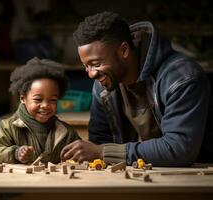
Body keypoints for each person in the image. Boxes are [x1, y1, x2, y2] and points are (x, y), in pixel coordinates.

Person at [60, 11, 213, 166]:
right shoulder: (104, 86)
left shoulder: (183, 78)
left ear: (124, 50)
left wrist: (102, 152)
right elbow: (99, 142)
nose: (91, 74)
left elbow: (179, 149)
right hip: (147, 174)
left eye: (96, 63)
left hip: (200, 174)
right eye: (86, 66)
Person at [0, 57, 81, 164]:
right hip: (21, 180)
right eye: (38, 99)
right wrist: (15, 153)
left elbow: (80, 154)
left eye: (53, 100)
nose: (45, 105)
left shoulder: (67, 133)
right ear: (23, 98)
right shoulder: (9, 127)